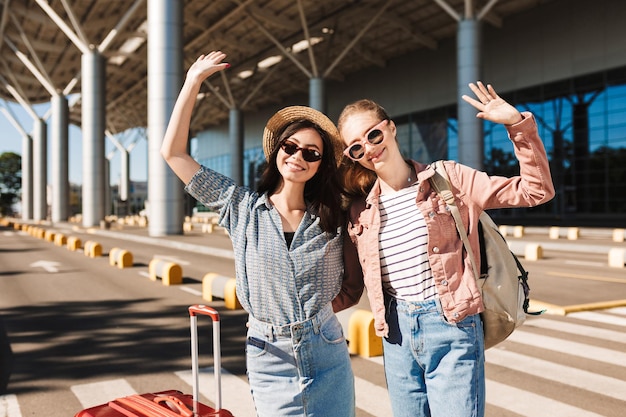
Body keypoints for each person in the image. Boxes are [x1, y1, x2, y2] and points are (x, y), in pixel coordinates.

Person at [160, 51, 363, 417]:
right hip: (270, 356)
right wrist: (192, 83)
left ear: (320, 165)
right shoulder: (240, 207)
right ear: (277, 152)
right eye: (291, 146)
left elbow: (352, 280)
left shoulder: (333, 217)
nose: (298, 156)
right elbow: (173, 153)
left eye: (311, 153)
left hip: (327, 349)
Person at [337, 81, 555, 417]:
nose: (368, 148)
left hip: (451, 325)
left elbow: (535, 191)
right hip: (395, 336)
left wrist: (517, 126)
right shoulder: (361, 211)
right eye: (355, 147)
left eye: (373, 135)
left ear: (391, 128)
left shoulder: (448, 179)